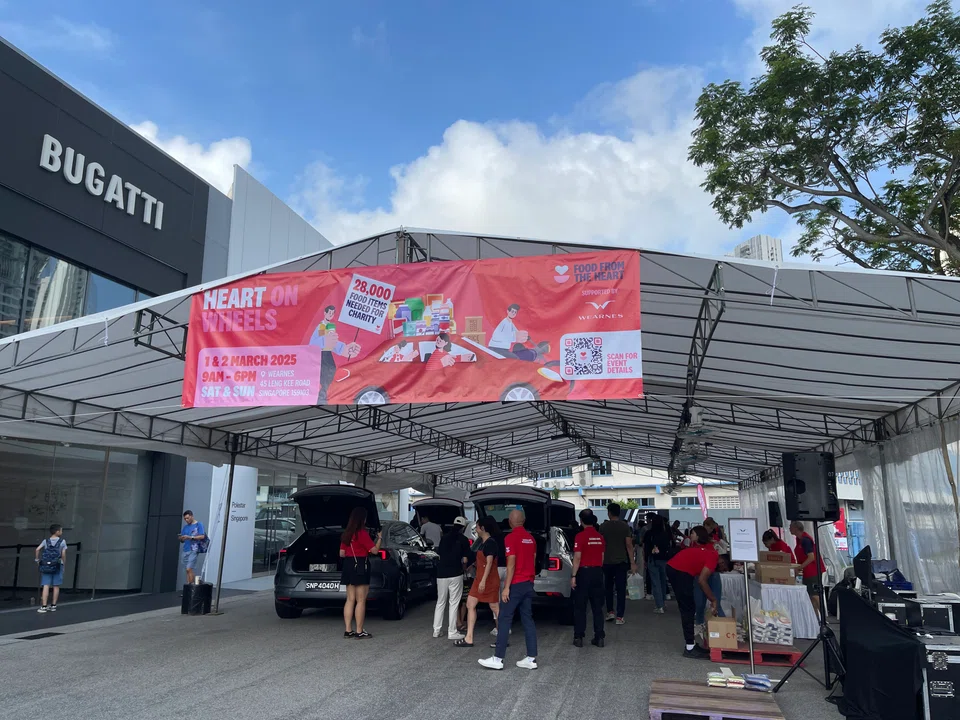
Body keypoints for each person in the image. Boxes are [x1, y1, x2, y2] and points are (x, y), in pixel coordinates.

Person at [479, 509, 538, 671]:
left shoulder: (511, 538)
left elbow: (511, 564)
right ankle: (531, 658)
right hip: (528, 583)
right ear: (523, 521)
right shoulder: (531, 539)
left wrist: (506, 588)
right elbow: (533, 560)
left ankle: (498, 658)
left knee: (504, 618)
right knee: (528, 619)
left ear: (510, 522)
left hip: (516, 584)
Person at [666, 526, 719, 659]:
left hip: (676, 568)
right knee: (688, 608)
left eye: (693, 533)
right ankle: (690, 647)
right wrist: (713, 599)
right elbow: (702, 581)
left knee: (689, 606)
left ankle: (692, 644)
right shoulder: (712, 555)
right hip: (679, 571)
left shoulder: (707, 550)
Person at [457, 517, 501, 648]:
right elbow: (482, 561)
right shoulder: (482, 542)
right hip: (479, 580)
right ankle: (469, 637)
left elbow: (489, 563)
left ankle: (502, 636)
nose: (475, 530)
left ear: (483, 528)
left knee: (495, 608)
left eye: (476, 527)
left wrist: (483, 581)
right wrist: (473, 566)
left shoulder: (490, 543)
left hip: (488, 580)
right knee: (470, 604)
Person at [340, 507, 381, 639]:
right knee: (361, 600)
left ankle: (348, 630)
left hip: (348, 565)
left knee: (350, 599)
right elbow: (374, 551)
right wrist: (379, 539)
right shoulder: (362, 533)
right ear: (362, 519)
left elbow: (341, 553)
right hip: (360, 565)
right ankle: (359, 631)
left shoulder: (346, 534)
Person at [309, 304, 361, 404]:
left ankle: (324, 393)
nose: (331, 315)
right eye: (329, 313)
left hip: (326, 354)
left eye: (332, 313)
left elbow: (332, 343)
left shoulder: (329, 326)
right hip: (320, 356)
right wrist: (326, 341)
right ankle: (321, 394)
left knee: (330, 371)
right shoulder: (322, 326)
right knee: (326, 373)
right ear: (325, 313)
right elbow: (316, 343)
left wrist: (345, 349)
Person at [571, 509, 606, 648]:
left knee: (580, 607)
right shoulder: (600, 537)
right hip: (598, 572)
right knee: (597, 607)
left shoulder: (580, 536)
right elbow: (602, 558)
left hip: (584, 573)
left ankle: (578, 637)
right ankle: (599, 637)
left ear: (581, 521)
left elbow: (577, 557)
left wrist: (573, 576)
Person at [599, 502, 637, 625]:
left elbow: (601, 545)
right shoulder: (624, 527)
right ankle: (620, 617)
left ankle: (610, 611)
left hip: (607, 562)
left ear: (609, 513)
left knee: (608, 588)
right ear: (619, 513)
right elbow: (629, 545)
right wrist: (632, 562)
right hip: (621, 562)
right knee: (621, 589)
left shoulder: (603, 527)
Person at [434, 516, 471, 641]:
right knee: (454, 602)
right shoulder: (464, 540)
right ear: (464, 527)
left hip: (441, 573)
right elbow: (465, 559)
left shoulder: (443, 538)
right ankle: (452, 631)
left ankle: (436, 630)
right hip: (455, 573)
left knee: (440, 602)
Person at [790, 521, 826, 620]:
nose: (789, 529)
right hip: (807, 571)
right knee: (811, 597)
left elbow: (811, 557)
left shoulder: (805, 540)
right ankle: (816, 619)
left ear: (796, 528)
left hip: (813, 570)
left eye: (791, 527)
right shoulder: (799, 539)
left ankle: (823, 618)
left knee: (815, 595)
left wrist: (800, 567)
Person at [35, 524, 66, 613]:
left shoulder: (46, 541)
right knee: (56, 586)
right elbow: (63, 554)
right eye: (61, 530)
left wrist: (37, 560)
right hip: (57, 565)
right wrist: (63, 564)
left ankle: (44, 606)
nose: (62, 532)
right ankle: (53, 605)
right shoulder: (62, 541)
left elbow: (37, 549)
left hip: (46, 565)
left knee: (46, 585)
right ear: (57, 532)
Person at [644, 514, 672, 614]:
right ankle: (663, 602)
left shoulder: (649, 533)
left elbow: (646, 548)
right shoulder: (665, 534)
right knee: (663, 581)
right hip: (664, 560)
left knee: (656, 583)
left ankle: (659, 606)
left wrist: (645, 560)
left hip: (653, 560)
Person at [179, 510, 207, 585]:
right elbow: (182, 539)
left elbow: (202, 536)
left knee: (189, 568)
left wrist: (190, 537)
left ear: (192, 516)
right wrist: (181, 538)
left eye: (187, 518)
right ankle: (189, 585)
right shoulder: (185, 527)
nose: (186, 520)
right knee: (187, 570)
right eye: (185, 519)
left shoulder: (199, 525)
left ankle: (191, 587)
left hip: (194, 549)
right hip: (186, 549)